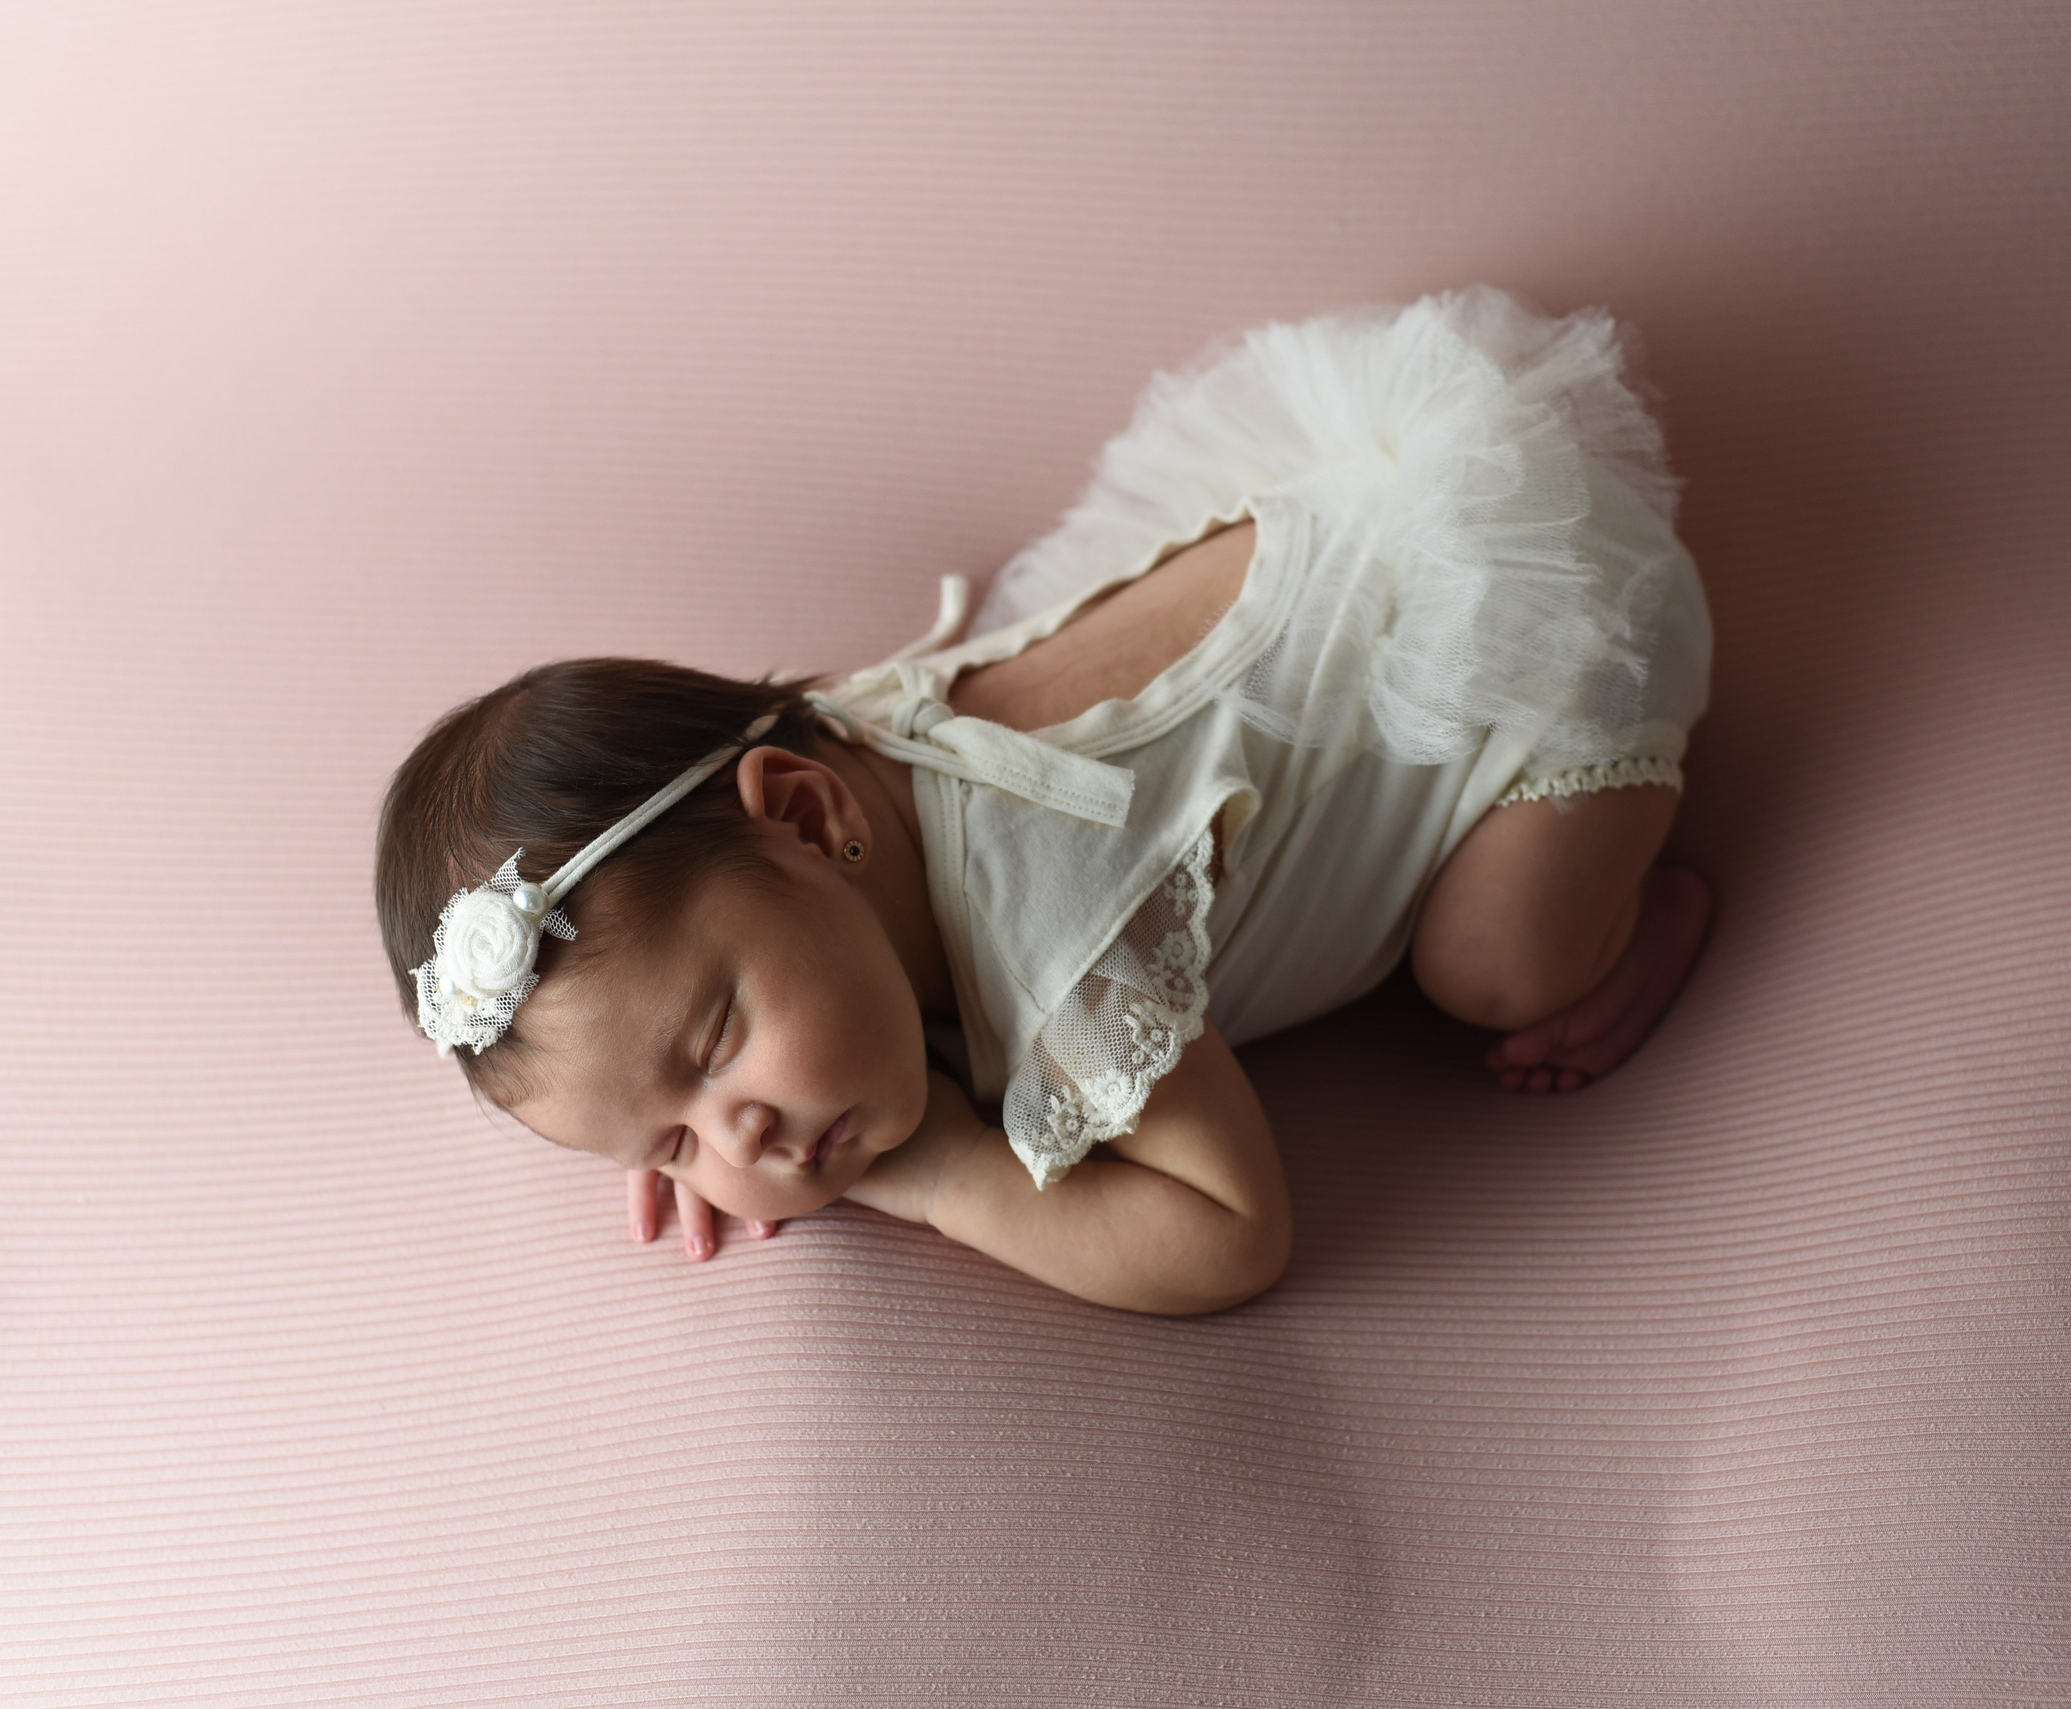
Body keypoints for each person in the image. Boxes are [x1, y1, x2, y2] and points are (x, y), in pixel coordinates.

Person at [373, 284, 1715, 1316]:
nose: (744, 1138)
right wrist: (659, 1071)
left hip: (1511, 642)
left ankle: (1641, 914)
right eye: (671, 1137)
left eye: (721, 1038)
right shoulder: (836, 753)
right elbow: (659, 963)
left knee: (1496, 963)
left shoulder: (1044, 915)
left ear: (796, 813)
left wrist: (948, 1169)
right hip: (1347, 520)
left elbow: (1234, 1230)